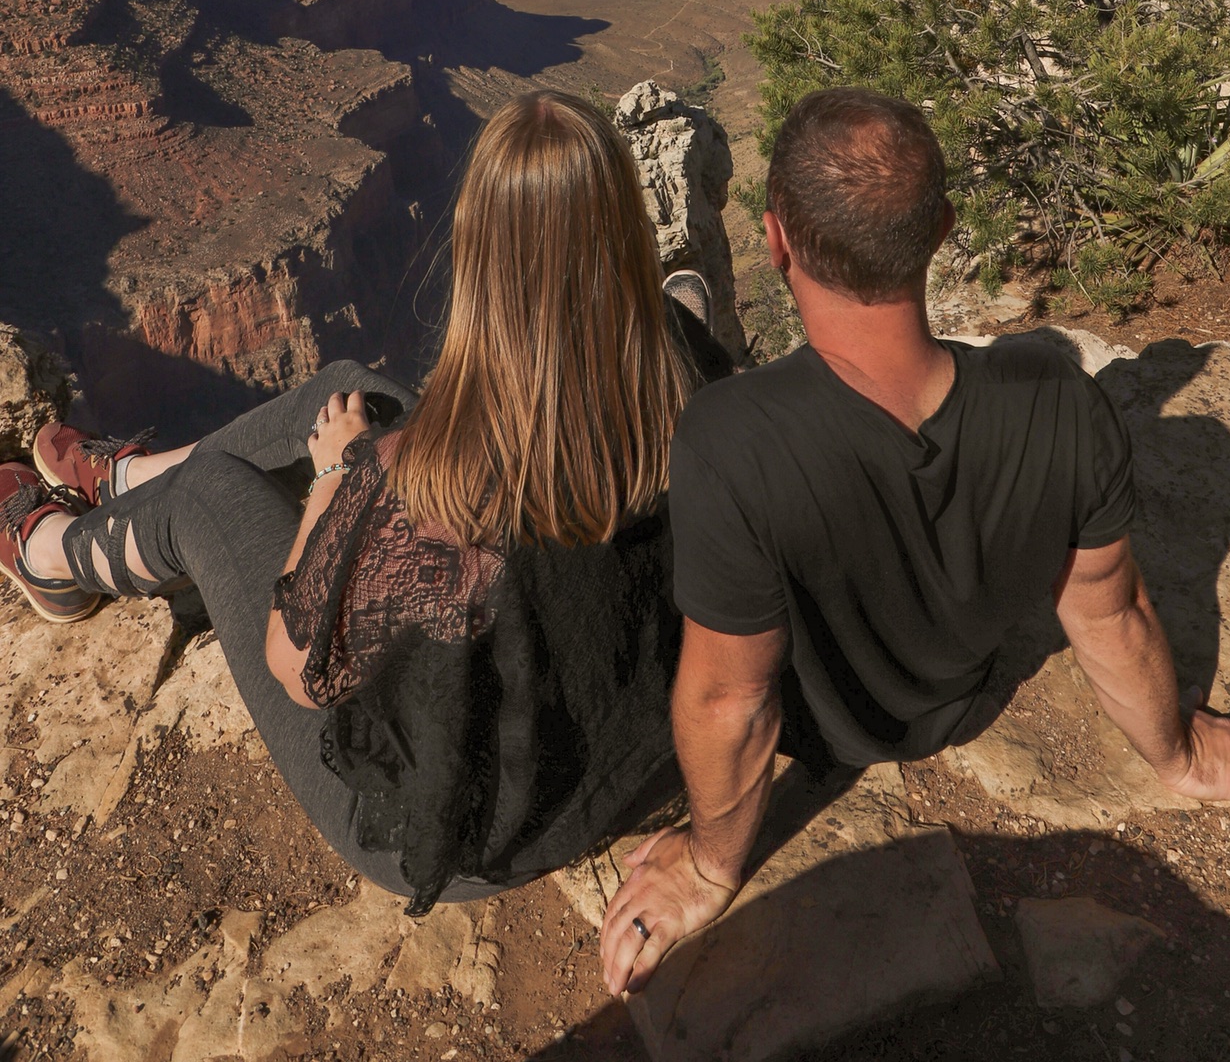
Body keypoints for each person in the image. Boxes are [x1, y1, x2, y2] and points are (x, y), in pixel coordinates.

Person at [601, 86, 1230, 993]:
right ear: (942, 230)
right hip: (964, 700)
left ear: (775, 238)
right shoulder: (1058, 397)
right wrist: (1176, 752)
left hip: (815, 738)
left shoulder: (729, 436)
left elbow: (729, 704)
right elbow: (1112, 612)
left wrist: (708, 869)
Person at [0, 90, 732, 916]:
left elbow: (301, 666)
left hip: (471, 827)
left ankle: (52, 554)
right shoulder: (683, 364)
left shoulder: (426, 482)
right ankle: (128, 481)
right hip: (630, 750)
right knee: (348, 387)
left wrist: (334, 481)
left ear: (477, 254)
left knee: (211, 496)